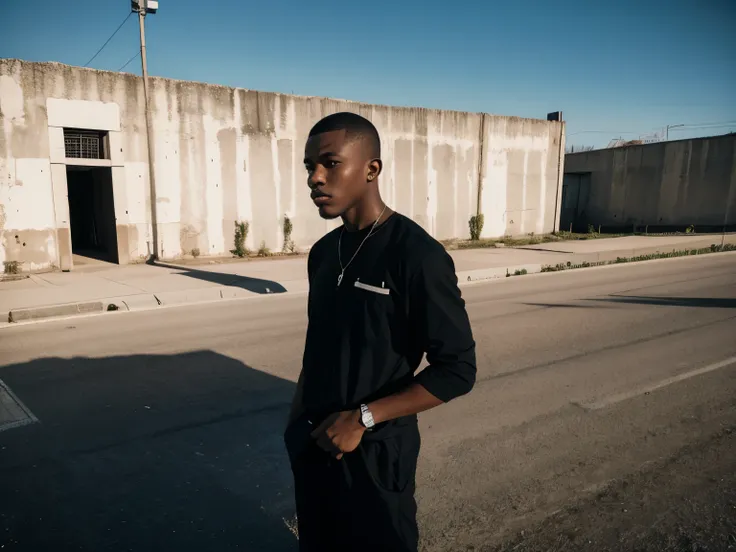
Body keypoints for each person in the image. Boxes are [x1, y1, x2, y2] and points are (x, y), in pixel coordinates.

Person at [284, 112, 476, 552]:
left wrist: (362, 418)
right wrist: (295, 422)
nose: (315, 178)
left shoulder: (417, 256)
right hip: (313, 442)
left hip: (374, 452)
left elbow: (458, 369)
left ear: (372, 169)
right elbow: (320, 346)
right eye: (309, 166)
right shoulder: (323, 253)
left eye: (330, 163)